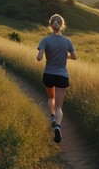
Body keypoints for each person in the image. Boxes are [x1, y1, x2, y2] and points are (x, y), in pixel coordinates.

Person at [36, 14, 77, 143]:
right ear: (62, 25)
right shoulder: (67, 41)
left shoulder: (45, 40)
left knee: (50, 98)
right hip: (62, 76)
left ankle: (52, 118)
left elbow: (39, 58)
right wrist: (66, 57)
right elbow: (75, 56)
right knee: (59, 106)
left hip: (49, 74)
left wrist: (43, 53)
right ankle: (58, 127)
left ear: (50, 25)